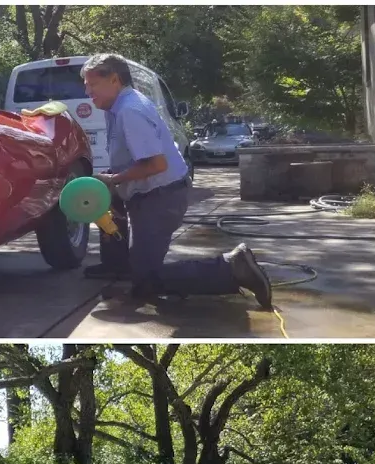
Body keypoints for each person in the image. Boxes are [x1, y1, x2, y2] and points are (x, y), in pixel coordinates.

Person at [80, 53, 272, 310]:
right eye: (86, 84)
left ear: (114, 80)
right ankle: (138, 271)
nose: (87, 91)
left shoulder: (129, 111)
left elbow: (156, 164)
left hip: (160, 198)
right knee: (140, 272)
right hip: (153, 195)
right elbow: (132, 158)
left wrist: (115, 180)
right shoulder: (118, 106)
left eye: (92, 84)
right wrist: (117, 188)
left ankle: (232, 267)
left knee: (147, 280)